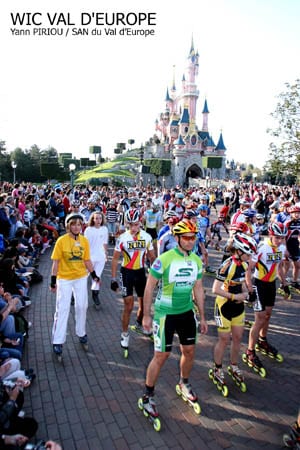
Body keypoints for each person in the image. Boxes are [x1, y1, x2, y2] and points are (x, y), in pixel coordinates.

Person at [140, 220, 208, 418]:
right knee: (161, 356)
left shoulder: (196, 260)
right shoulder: (165, 258)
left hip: (186, 312)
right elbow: (149, 287)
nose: (190, 241)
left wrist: (203, 317)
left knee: (189, 350)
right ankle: (147, 396)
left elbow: (198, 289)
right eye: (186, 237)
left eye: (193, 237)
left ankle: (184, 383)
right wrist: (146, 314)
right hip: (165, 313)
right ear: (177, 238)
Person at [210, 233, 257, 391]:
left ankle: (234, 365)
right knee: (224, 339)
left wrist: (247, 294)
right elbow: (215, 289)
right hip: (223, 306)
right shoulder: (227, 265)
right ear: (239, 251)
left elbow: (243, 283)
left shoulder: (244, 265)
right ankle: (217, 368)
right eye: (248, 253)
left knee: (237, 338)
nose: (250, 256)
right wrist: (234, 296)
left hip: (238, 307)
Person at [50, 213, 99, 358]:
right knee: (63, 308)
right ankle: (57, 341)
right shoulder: (61, 241)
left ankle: (81, 332)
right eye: (73, 224)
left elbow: (87, 260)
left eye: (79, 224)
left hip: (80, 278)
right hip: (64, 278)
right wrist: (53, 281)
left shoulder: (84, 241)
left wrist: (94, 275)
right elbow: (56, 263)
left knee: (82, 306)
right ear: (68, 226)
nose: (76, 227)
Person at [244, 222, 289, 370]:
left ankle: (262, 340)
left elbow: (280, 267)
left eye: (282, 237)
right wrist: (250, 289)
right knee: (260, 318)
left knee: (268, 315)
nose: (280, 240)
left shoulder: (282, 248)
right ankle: (250, 350)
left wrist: (284, 283)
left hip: (271, 284)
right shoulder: (262, 247)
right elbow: (248, 269)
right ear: (270, 234)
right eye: (277, 237)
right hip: (259, 284)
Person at [110, 208, 155, 352]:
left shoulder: (147, 237)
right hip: (126, 273)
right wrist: (113, 278)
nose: (133, 228)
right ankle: (124, 334)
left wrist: (156, 275)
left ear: (140, 222)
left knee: (143, 306)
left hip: (140, 273)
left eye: (136, 224)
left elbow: (152, 257)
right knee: (129, 305)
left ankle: (139, 324)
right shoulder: (122, 238)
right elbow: (115, 258)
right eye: (130, 225)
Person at [84, 211, 108, 309]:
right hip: (89, 258)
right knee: (84, 276)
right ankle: (75, 295)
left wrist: (106, 254)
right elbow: (85, 244)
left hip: (100, 258)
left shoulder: (104, 229)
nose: (98, 220)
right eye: (96, 218)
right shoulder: (88, 230)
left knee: (97, 277)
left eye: (100, 218)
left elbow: (105, 242)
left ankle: (95, 296)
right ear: (93, 219)